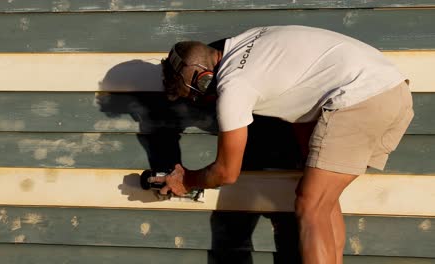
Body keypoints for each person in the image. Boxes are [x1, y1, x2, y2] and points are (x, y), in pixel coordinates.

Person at [151, 25, 414, 264]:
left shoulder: (234, 85)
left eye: (195, 97)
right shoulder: (249, 40)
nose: (199, 103)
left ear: (205, 78)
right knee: (323, 203)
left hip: (359, 96)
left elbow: (226, 172)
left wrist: (187, 181)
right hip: (392, 90)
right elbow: (302, 89)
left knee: (310, 206)